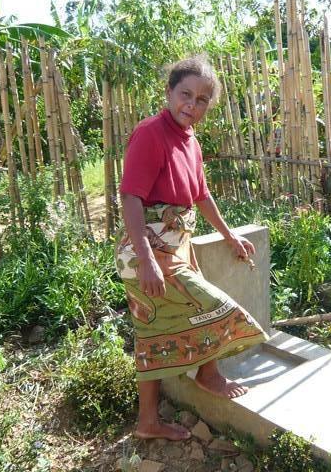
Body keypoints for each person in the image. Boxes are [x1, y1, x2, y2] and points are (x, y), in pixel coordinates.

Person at [115, 55, 269, 441]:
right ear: (169, 92)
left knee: (152, 334)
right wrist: (148, 259)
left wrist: (230, 235)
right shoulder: (150, 133)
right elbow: (130, 197)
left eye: (202, 100)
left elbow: (201, 195)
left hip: (176, 248)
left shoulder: (191, 141)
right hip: (145, 254)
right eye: (185, 94)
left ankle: (147, 423)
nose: (192, 105)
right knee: (217, 308)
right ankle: (208, 374)